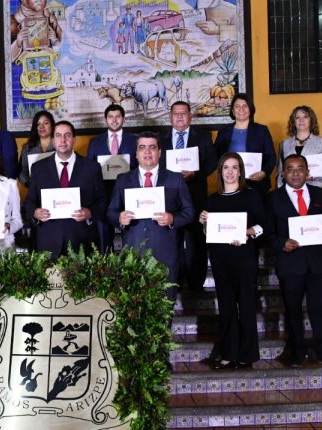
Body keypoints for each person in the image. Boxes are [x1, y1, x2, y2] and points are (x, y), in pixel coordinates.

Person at [266, 154, 322, 368]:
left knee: (321, 307)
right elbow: (267, 232)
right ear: (283, 173)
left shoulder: (320, 195)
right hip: (290, 263)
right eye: (290, 169)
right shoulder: (273, 198)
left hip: (317, 262)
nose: (295, 173)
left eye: (300, 169)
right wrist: (282, 243)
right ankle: (297, 352)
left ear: (307, 172)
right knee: (292, 309)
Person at [107, 131, 194, 300]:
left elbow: (189, 212)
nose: (147, 152)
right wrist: (119, 218)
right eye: (142, 148)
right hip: (133, 255)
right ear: (136, 153)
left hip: (165, 255)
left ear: (160, 153)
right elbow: (110, 212)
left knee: (164, 309)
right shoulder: (123, 179)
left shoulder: (175, 179)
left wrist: (172, 218)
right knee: (134, 311)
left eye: (152, 147)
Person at [199, 152, 265, 369]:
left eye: (234, 167)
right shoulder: (212, 200)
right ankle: (228, 353)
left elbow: (263, 225)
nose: (229, 172)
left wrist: (248, 232)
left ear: (240, 171)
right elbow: (210, 233)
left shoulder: (251, 195)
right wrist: (203, 223)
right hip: (220, 259)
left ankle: (246, 355)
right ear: (220, 172)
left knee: (246, 305)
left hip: (244, 257)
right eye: (225, 167)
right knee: (226, 306)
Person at [24, 120, 106, 260]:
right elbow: (30, 201)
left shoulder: (92, 167)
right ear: (53, 140)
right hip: (48, 241)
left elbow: (102, 201)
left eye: (67, 135)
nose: (63, 140)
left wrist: (89, 212)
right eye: (58, 135)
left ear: (74, 139)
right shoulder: (38, 168)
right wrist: (35, 212)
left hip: (81, 241)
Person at [160, 100, 217, 292]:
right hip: (169, 198)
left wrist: (196, 174)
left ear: (190, 116)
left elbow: (212, 162)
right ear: (170, 116)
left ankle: (196, 284)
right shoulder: (161, 138)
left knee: (196, 242)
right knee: (171, 242)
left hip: (195, 195)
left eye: (183, 113)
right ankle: (173, 282)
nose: (180, 117)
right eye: (176, 113)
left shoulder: (203, 136)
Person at [86, 104, 138, 252]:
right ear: (105, 119)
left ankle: (130, 267)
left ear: (123, 119)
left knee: (130, 232)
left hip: (128, 194)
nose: (114, 120)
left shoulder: (134, 140)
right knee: (103, 236)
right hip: (103, 194)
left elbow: (140, 166)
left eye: (117, 117)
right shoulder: (95, 142)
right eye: (110, 117)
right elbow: (89, 169)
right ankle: (105, 269)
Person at [213, 92, 276, 197]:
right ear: (232, 111)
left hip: (256, 184)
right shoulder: (224, 131)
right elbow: (216, 156)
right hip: (230, 184)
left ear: (250, 109)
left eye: (245, 106)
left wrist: (264, 173)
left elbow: (271, 156)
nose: (241, 109)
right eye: (237, 106)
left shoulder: (262, 130)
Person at [277, 106, 322, 189]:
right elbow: (280, 171)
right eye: (297, 117)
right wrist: (279, 190)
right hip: (290, 190)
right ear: (293, 121)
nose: (301, 120)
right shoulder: (285, 144)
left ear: (311, 120)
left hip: (315, 188)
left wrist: (315, 176)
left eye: (305, 117)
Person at [18, 110, 55, 187]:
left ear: (52, 125)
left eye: (46, 123)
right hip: (35, 192)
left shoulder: (60, 146)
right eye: (38, 124)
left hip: (58, 190)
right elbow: (22, 172)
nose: (41, 127)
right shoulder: (27, 148)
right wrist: (29, 184)